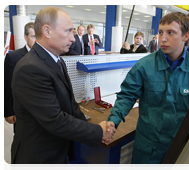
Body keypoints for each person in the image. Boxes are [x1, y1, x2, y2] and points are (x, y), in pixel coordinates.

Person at [10, 7, 115, 170]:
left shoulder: (58, 61)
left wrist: (92, 129)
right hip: (39, 159)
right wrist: (97, 132)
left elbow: (71, 104)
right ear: (47, 30)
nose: (73, 39)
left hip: (58, 151)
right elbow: (55, 120)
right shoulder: (30, 68)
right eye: (68, 31)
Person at [107, 12, 189, 169]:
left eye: (170, 33)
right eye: (161, 32)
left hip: (180, 147)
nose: (163, 38)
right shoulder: (144, 66)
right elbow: (127, 96)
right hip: (148, 149)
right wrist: (113, 120)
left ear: (186, 36)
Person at [4, 22, 36, 126]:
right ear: (25, 37)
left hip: (41, 110)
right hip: (21, 111)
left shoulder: (45, 56)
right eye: (33, 36)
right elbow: (7, 86)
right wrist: (8, 112)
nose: (37, 40)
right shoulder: (13, 57)